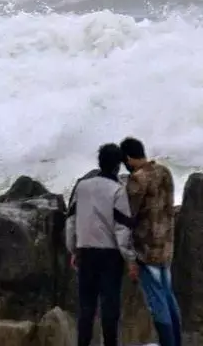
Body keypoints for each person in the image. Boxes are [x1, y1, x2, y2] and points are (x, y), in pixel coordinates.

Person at [65, 143, 136, 346]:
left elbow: (71, 221)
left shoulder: (82, 187)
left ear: (99, 163)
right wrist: (130, 259)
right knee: (109, 307)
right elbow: (122, 229)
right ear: (117, 166)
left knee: (86, 308)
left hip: (85, 252)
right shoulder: (117, 190)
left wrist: (73, 249)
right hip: (110, 256)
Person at [121, 137, 182, 346]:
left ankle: (167, 342)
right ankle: (177, 341)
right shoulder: (164, 172)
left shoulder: (137, 179)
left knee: (157, 300)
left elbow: (128, 214)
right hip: (166, 245)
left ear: (128, 158)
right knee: (168, 295)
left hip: (147, 249)